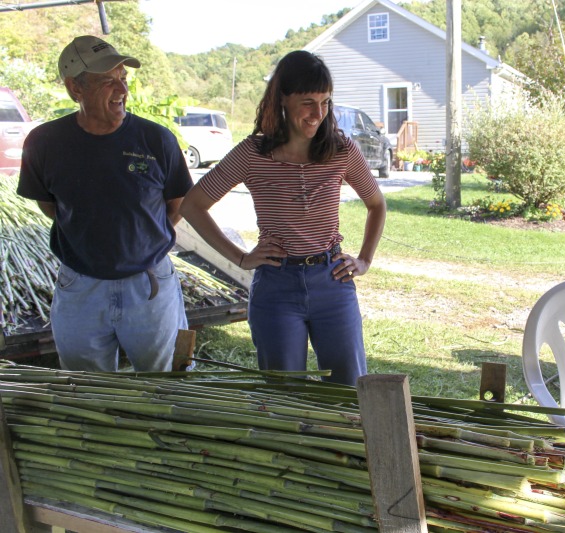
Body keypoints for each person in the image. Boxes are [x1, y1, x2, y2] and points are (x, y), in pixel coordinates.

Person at [179, 50, 386, 386]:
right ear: (283, 99)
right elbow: (192, 206)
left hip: (332, 282)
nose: (318, 113)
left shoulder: (341, 150)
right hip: (276, 287)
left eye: (325, 101)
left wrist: (364, 260)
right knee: (285, 395)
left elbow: (376, 204)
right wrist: (241, 258)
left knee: (349, 389)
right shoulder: (252, 153)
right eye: (307, 101)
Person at [16, 35, 193, 372]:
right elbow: (49, 205)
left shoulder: (157, 140)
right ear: (74, 88)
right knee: (86, 387)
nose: (122, 91)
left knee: (162, 380)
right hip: (80, 285)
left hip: (149, 284)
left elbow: (177, 204)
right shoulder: (44, 144)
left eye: (123, 79)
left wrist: (142, 242)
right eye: (107, 81)